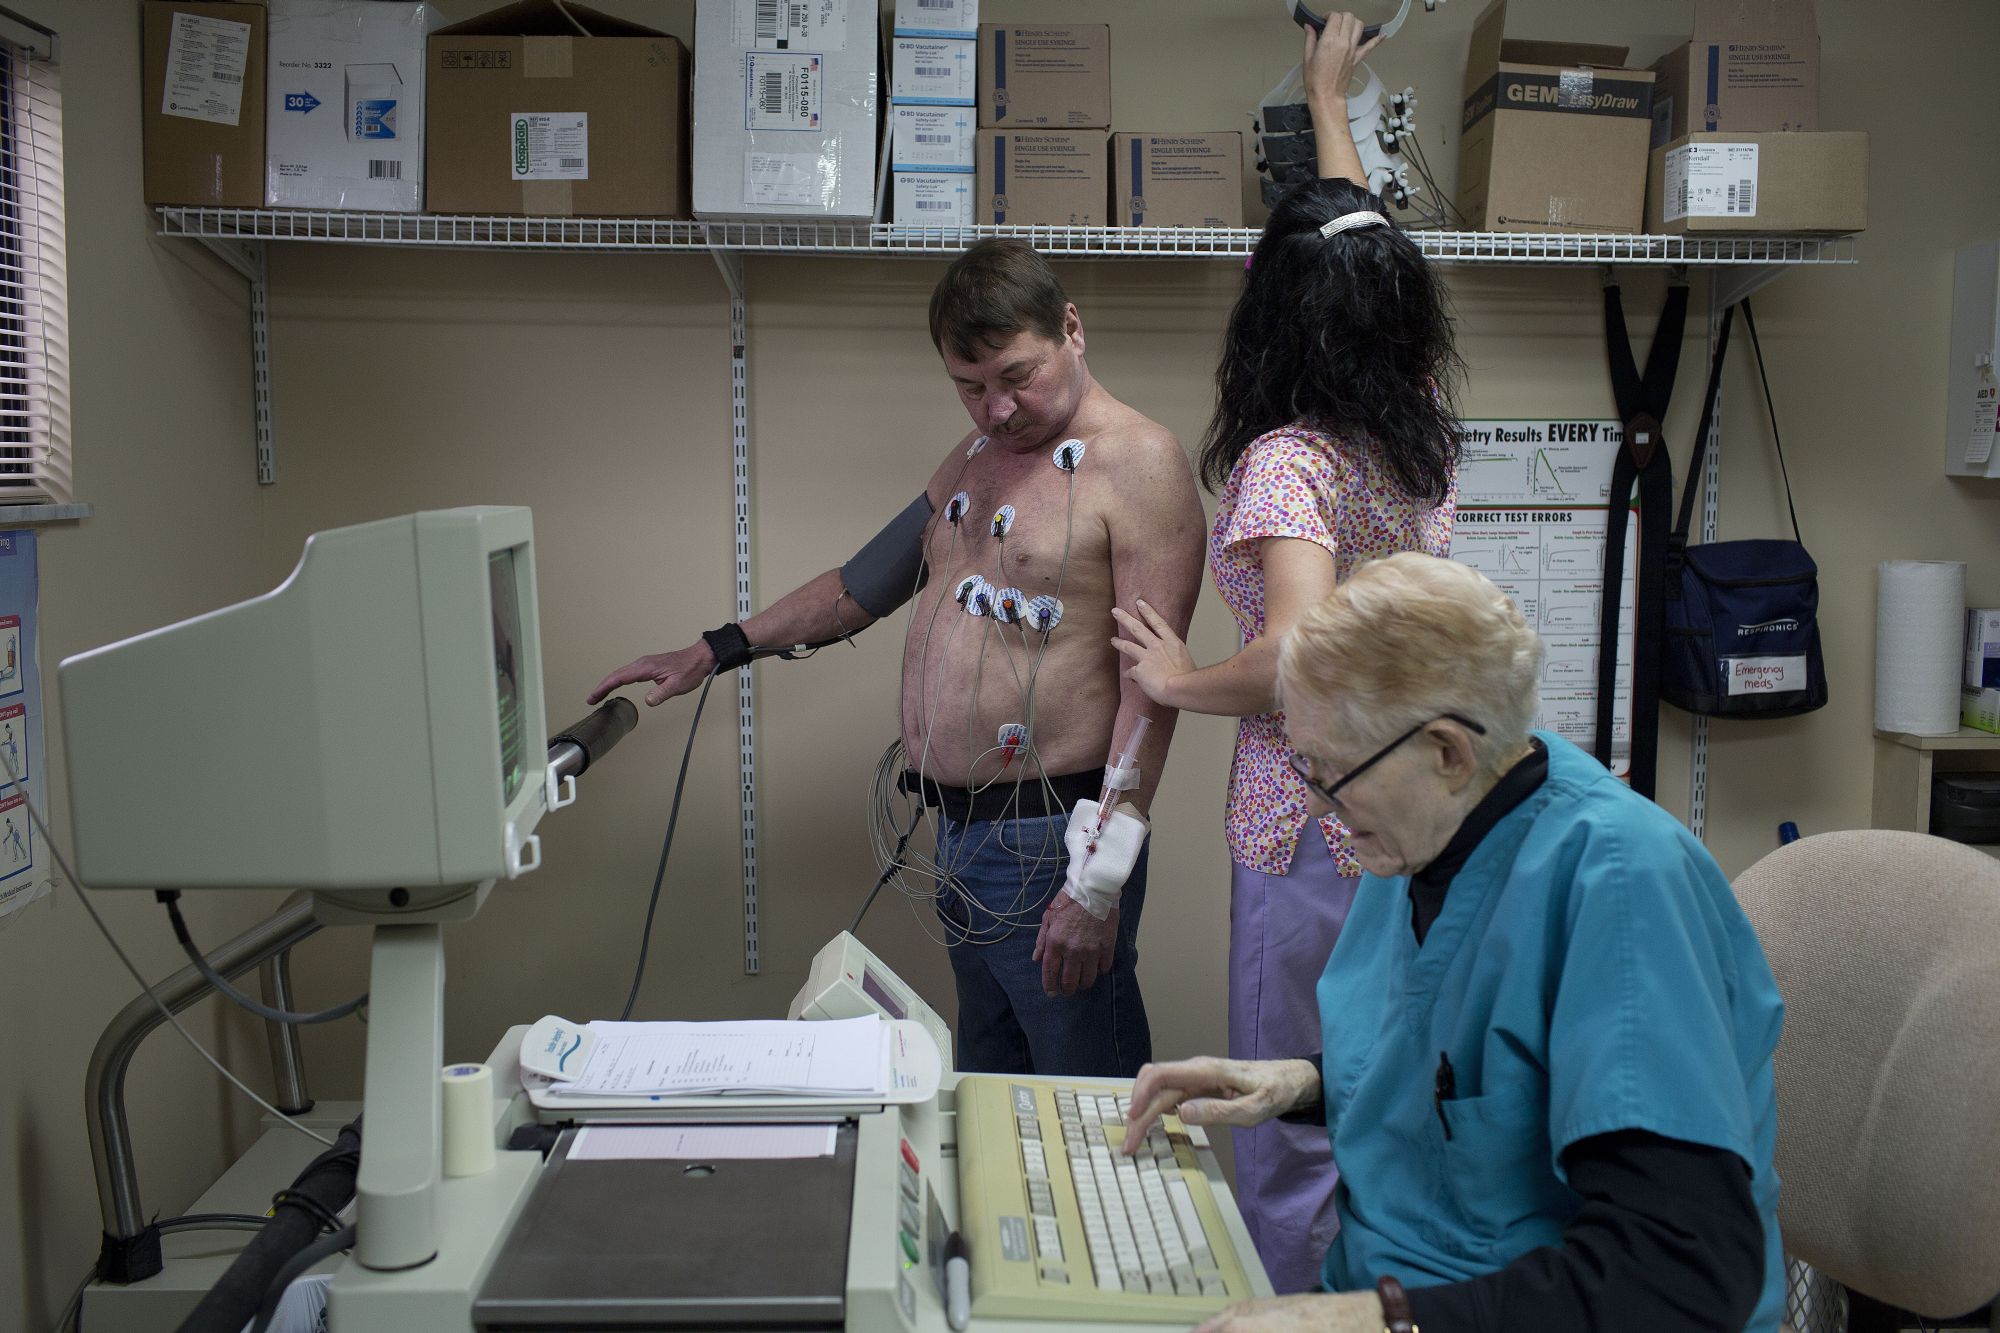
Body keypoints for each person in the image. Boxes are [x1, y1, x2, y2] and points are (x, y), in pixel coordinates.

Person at [589, 239, 1206, 1078]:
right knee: (994, 1081)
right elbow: (861, 585)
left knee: (1082, 1092)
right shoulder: (975, 459)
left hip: (1051, 840)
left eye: (1017, 376)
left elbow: (1152, 684)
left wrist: (1100, 878)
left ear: (1071, 327)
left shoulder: (1140, 463)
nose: (994, 409)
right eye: (970, 384)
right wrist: (718, 647)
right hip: (958, 837)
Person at [1123, 553, 1786, 1333]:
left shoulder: (1618, 883)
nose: (1316, 802)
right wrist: (1300, 1082)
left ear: (1446, 751)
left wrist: (1376, 1320)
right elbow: (1467, 1078)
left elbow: (1683, 1272)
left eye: (1332, 773)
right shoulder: (1421, 831)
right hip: (1396, 1283)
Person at [1108, 13, 1462, 1294]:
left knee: (1282, 1108)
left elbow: (1302, 654)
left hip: (1305, 827)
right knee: (1371, 1092)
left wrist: (1176, 682)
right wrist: (1329, 97)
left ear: (1273, 320)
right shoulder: (1415, 434)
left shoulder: (1289, 463)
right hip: (1413, 817)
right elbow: (1353, 234)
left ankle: (1285, 1320)